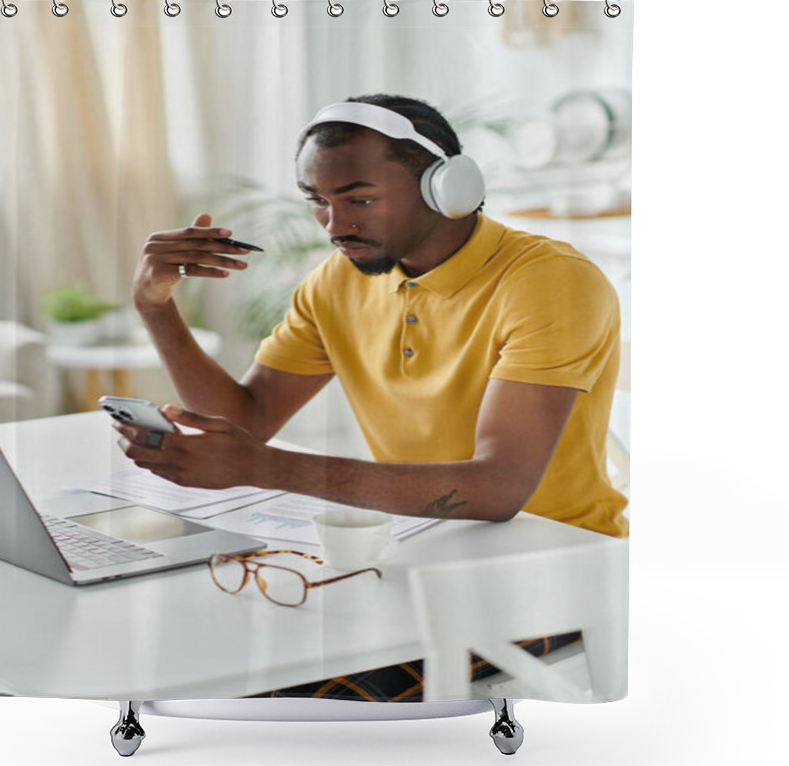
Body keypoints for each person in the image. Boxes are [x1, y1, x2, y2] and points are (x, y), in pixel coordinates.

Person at [114, 93, 627, 700]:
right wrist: (156, 305)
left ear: (448, 186)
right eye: (317, 202)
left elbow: (498, 488)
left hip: (551, 576)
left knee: (277, 690)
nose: (336, 226)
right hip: (413, 559)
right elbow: (244, 420)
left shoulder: (547, 281)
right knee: (196, 650)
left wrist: (262, 466)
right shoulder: (336, 283)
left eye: (360, 199)